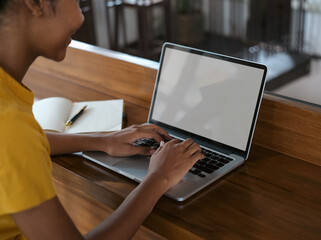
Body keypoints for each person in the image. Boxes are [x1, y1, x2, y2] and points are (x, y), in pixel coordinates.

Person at [0, 0, 204, 239]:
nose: (81, 17)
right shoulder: (11, 125)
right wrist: (159, 178)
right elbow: (16, 141)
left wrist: (102, 140)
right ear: (36, 3)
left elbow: (22, 146)